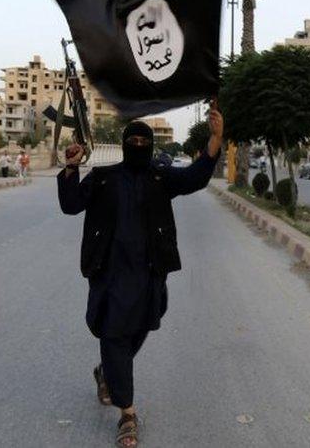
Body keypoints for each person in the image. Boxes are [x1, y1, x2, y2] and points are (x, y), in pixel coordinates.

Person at [57, 107, 223, 448]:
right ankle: (128, 414)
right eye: (131, 140)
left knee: (146, 322)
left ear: (149, 145)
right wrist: (71, 168)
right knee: (114, 334)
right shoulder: (104, 177)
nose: (137, 144)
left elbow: (195, 177)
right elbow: (71, 205)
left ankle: (108, 372)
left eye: (142, 141)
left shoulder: (161, 177)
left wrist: (216, 139)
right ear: (124, 144)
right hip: (110, 274)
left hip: (149, 273)